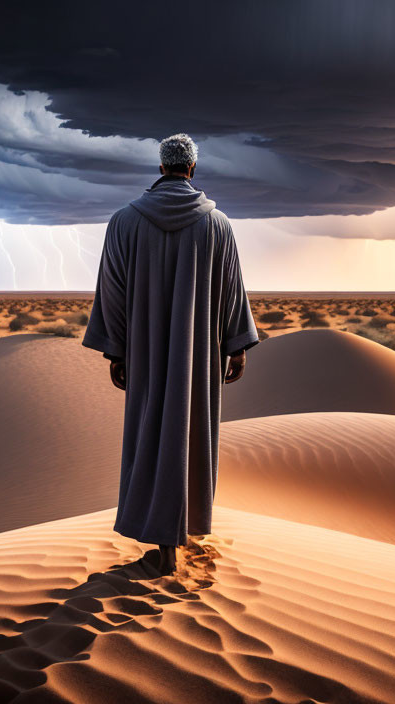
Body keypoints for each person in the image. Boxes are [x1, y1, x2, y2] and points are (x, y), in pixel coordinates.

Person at [82, 133, 259, 575]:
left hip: (144, 355)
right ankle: (177, 537)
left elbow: (112, 293)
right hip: (198, 358)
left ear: (161, 168)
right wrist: (236, 347)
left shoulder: (124, 222)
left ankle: (163, 543)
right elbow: (233, 293)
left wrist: (117, 352)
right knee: (190, 434)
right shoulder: (218, 225)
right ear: (193, 169)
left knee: (150, 434)